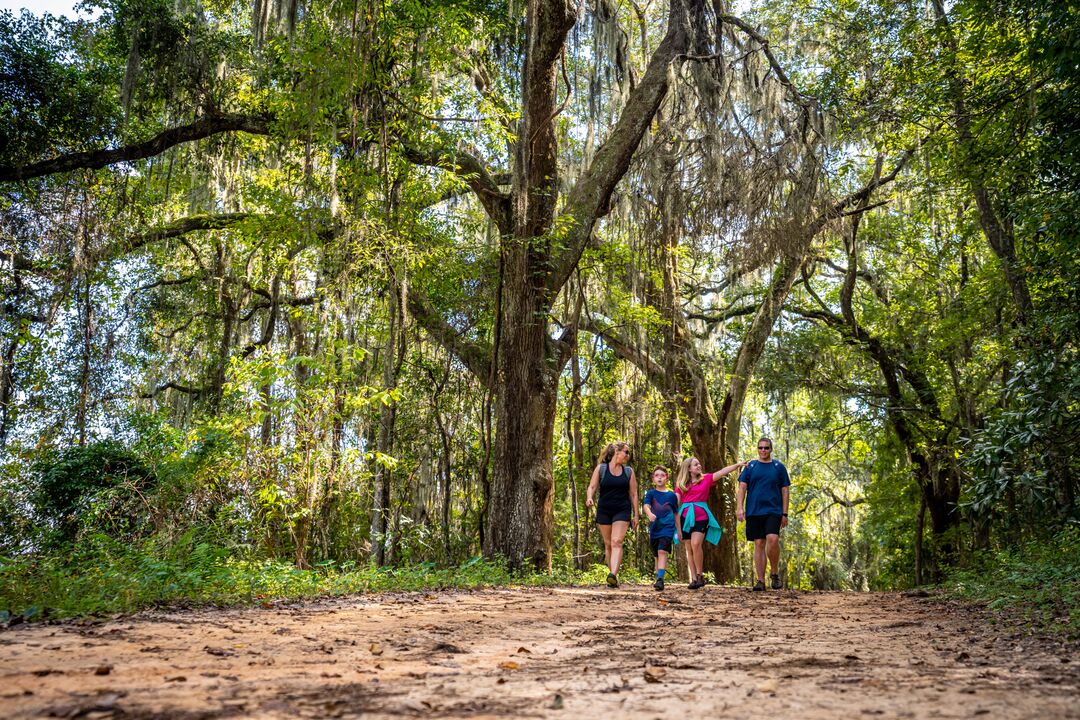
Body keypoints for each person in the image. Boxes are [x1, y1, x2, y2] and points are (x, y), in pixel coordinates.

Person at [675, 456, 746, 590]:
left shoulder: (706, 479)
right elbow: (675, 500)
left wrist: (737, 465)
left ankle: (699, 574)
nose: (699, 466)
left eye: (699, 463)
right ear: (688, 469)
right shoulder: (681, 484)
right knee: (689, 548)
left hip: (701, 516)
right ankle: (694, 579)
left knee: (696, 544)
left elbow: (722, 472)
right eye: (696, 464)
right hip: (685, 517)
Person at [736, 436, 791, 591]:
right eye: (760, 448)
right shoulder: (751, 467)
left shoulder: (778, 467)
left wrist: (785, 513)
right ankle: (760, 580)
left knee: (773, 539)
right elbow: (742, 488)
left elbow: (785, 490)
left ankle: (774, 573)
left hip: (774, 510)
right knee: (759, 543)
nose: (763, 451)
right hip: (754, 511)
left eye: (766, 448)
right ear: (757, 449)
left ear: (771, 449)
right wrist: (739, 508)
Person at [586, 441, 638, 588]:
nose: (628, 455)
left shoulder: (628, 472)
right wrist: (589, 497)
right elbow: (592, 486)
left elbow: (634, 494)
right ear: (617, 451)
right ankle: (612, 577)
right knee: (608, 544)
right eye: (626, 452)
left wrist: (636, 515)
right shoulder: (601, 469)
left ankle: (613, 574)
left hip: (622, 510)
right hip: (604, 509)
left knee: (617, 541)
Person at [641, 465, 678, 591]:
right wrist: (649, 514)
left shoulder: (672, 496)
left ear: (666, 478)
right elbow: (646, 506)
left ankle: (661, 579)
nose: (660, 478)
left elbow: (676, 514)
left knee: (662, 551)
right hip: (655, 528)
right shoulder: (651, 493)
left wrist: (679, 530)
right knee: (657, 554)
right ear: (653, 479)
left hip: (668, 528)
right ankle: (658, 578)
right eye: (657, 475)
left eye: (662, 475)